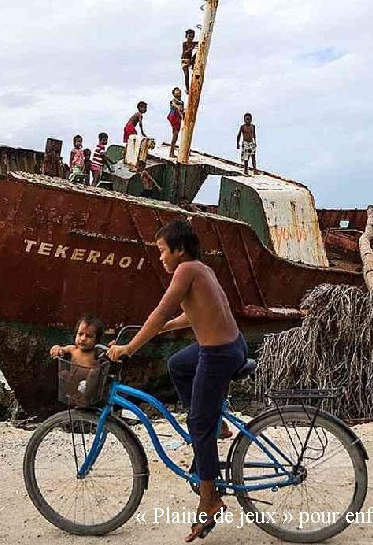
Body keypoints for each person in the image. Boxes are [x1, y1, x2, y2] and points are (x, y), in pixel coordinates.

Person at [107, 219, 245, 542]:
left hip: (218, 355)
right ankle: (218, 422)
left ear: (178, 250)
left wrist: (129, 347)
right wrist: (166, 329)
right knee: (178, 365)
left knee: (198, 426)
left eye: (162, 251)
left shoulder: (185, 271)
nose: (160, 258)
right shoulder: (201, 268)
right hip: (230, 345)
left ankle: (209, 500)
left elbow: (159, 312)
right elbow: (191, 314)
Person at [167, 87, 185, 158]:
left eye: (179, 90)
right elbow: (174, 104)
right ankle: (171, 153)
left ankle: (173, 152)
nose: (178, 91)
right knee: (175, 134)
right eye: (176, 90)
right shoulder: (173, 101)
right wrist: (178, 107)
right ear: (173, 93)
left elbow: (182, 110)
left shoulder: (182, 102)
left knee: (176, 135)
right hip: (174, 117)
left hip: (178, 118)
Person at [181, 29, 198, 93]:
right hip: (184, 61)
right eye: (189, 36)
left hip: (190, 60)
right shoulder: (184, 44)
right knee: (186, 74)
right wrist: (191, 48)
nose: (191, 38)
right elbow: (185, 52)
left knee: (197, 54)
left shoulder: (193, 43)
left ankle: (194, 66)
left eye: (192, 36)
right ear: (186, 36)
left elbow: (200, 41)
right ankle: (187, 89)